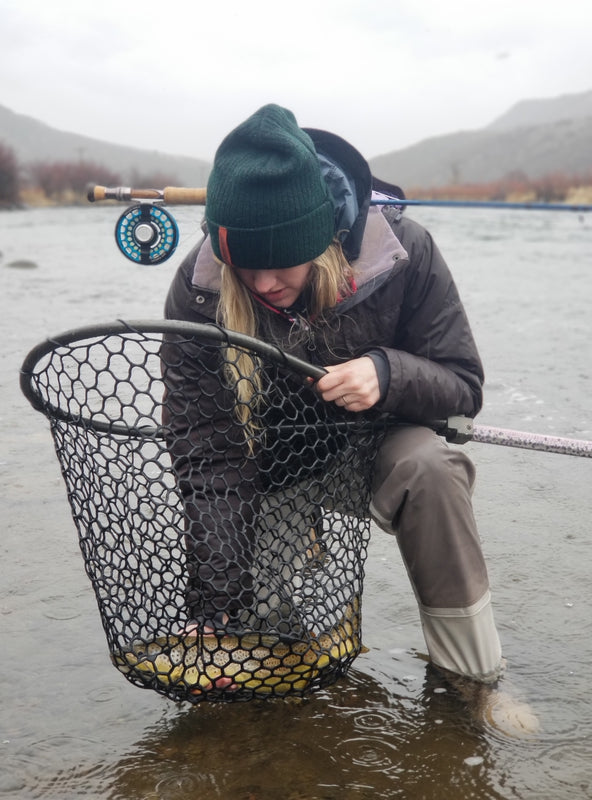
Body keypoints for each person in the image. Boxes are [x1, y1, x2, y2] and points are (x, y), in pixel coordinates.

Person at [162, 103, 503, 687]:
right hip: (269, 471)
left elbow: (462, 386)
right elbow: (210, 454)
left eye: (279, 264)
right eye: (246, 266)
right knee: (256, 640)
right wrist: (214, 605)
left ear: (319, 240)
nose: (264, 284)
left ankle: (475, 682)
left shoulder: (403, 252)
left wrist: (387, 373)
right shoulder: (199, 293)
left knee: (433, 469)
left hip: (380, 451)